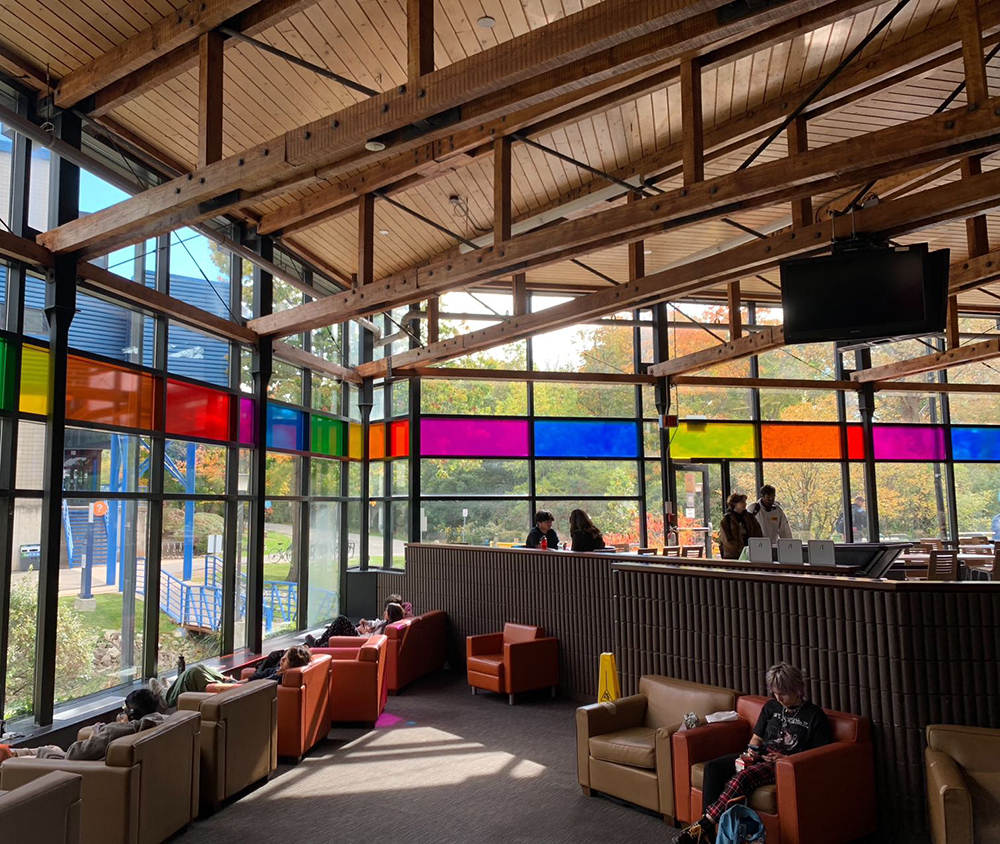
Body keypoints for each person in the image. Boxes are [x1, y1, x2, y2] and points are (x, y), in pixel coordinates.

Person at [677, 663, 832, 844]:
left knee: (743, 777)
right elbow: (756, 739)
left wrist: (786, 759)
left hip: (783, 764)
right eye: (775, 692)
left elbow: (819, 757)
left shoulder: (814, 716)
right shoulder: (771, 707)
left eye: (783, 693)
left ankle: (703, 826)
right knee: (713, 768)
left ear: (797, 689)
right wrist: (751, 752)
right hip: (760, 755)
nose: (778, 697)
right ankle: (708, 835)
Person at [0, 689, 165, 763]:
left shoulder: (114, 730)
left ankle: (7, 755)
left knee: (49, 750)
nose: (122, 713)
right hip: (86, 762)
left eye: (124, 710)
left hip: (68, 764)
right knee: (49, 747)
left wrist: (97, 734)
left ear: (133, 715)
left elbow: (74, 754)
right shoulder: (156, 723)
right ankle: (8, 751)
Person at [149, 646, 313, 708]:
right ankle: (171, 689)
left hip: (238, 693)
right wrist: (232, 680)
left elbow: (256, 688)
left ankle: (166, 697)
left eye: (285, 659)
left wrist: (233, 685)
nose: (281, 660)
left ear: (292, 664)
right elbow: (255, 678)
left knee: (194, 673)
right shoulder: (280, 671)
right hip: (238, 686)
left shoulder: (277, 679)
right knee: (202, 667)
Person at [306, 600, 407, 648]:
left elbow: (373, 640)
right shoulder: (384, 623)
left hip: (361, 640)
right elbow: (375, 622)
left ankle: (319, 644)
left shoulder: (386, 630)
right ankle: (322, 644)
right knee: (341, 626)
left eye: (386, 612)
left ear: (391, 615)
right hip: (361, 635)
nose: (384, 613)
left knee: (341, 620)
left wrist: (364, 632)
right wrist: (367, 623)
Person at [719, 493, 763, 559]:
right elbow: (727, 539)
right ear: (734, 503)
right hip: (733, 555)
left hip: (750, 552)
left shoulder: (750, 517)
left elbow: (758, 532)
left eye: (745, 501)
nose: (744, 504)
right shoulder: (727, 519)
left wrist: (754, 546)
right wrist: (741, 548)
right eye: (742, 502)